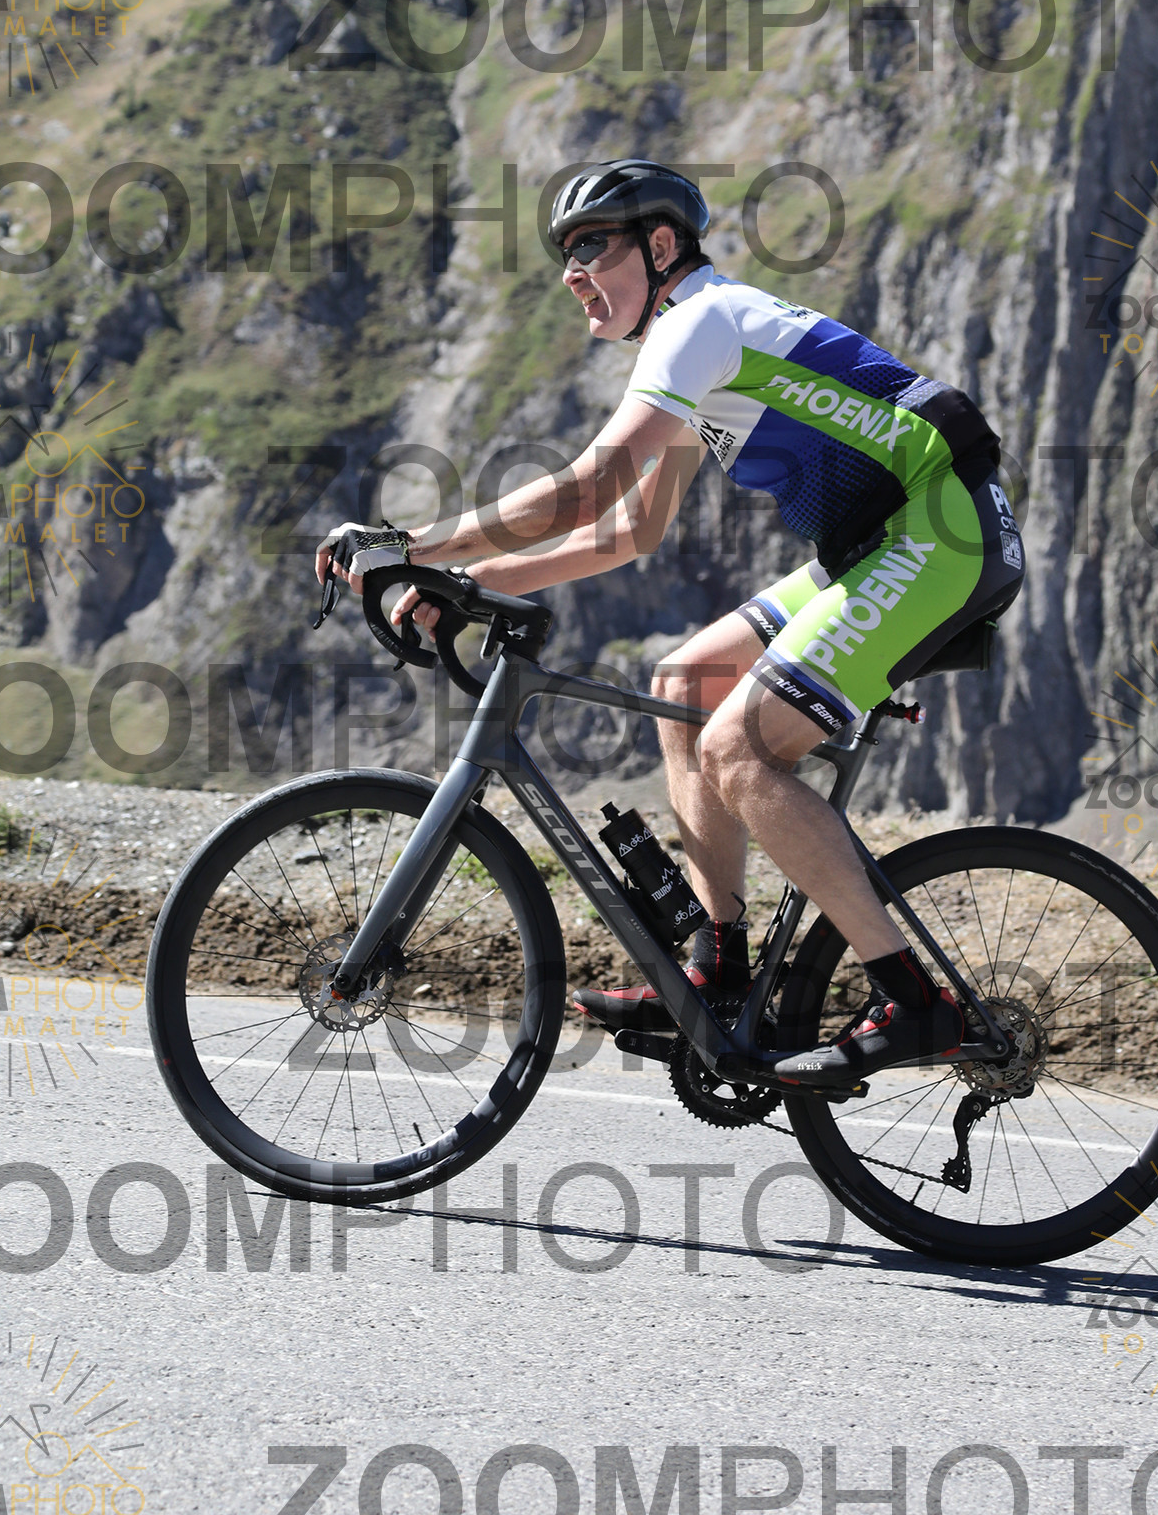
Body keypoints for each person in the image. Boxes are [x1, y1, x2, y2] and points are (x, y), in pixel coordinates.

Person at [315, 160, 1024, 1076]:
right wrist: (469, 578)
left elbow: (589, 485)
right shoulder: (706, 339)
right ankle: (717, 971)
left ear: (660, 246)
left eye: (592, 246)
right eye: (564, 256)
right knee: (684, 682)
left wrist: (411, 545)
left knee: (739, 749)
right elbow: (629, 530)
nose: (573, 273)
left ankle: (915, 1002)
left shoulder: (700, 324)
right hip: (886, 544)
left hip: (942, 534)